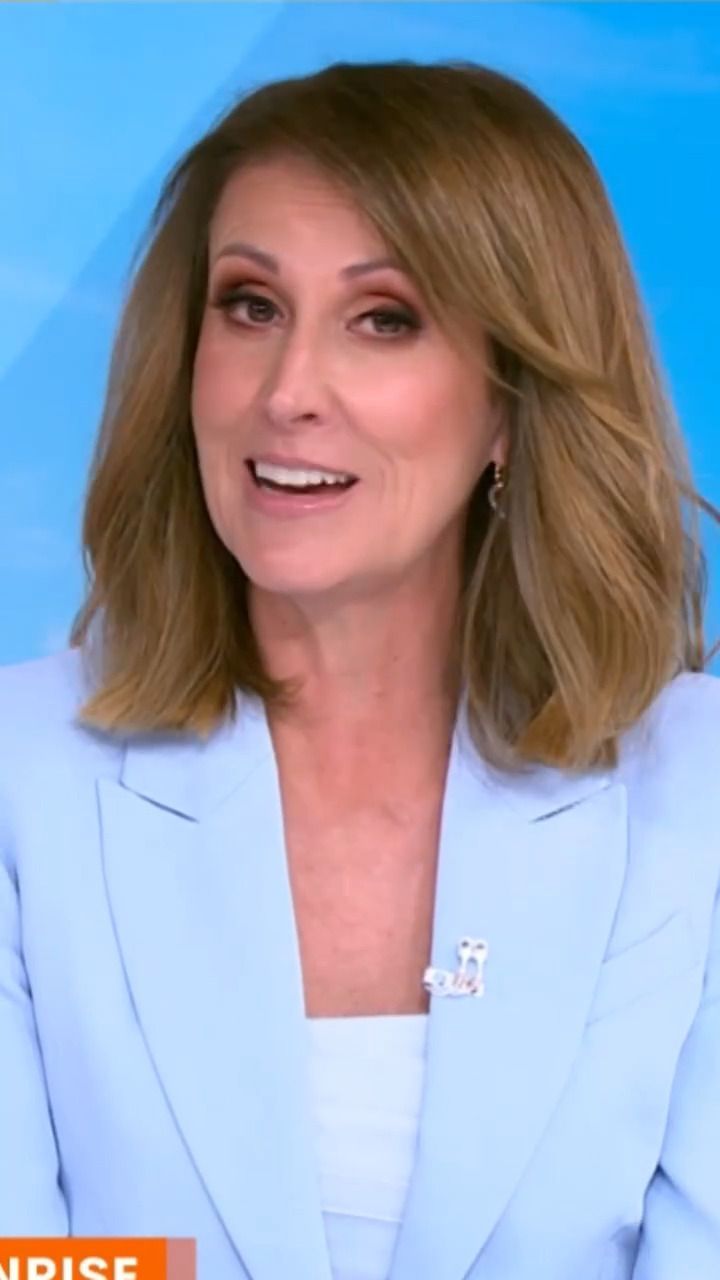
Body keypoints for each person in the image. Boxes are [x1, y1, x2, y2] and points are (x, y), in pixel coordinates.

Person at [1, 57, 719, 1280]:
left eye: (384, 318)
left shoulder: (695, 790)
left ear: (512, 399)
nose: (288, 392)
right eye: (250, 306)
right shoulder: (23, 778)